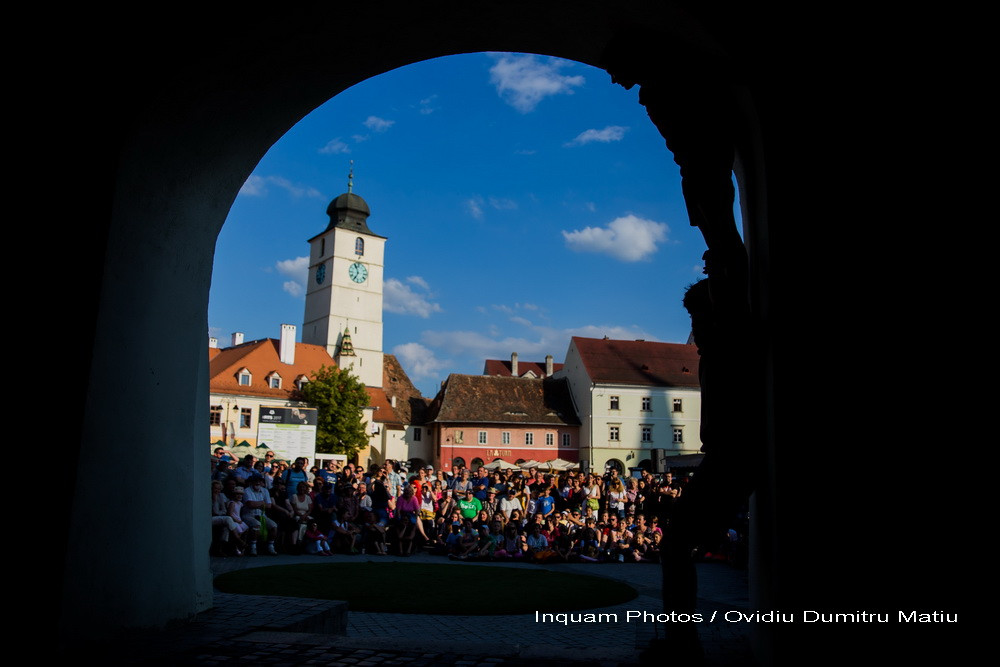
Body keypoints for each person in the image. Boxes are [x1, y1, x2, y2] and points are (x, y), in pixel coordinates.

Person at [241, 475, 278, 555]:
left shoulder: (265, 491)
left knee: (274, 526)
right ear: (252, 481)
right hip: (249, 515)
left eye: (260, 481)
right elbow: (250, 504)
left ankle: (270, 546)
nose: (258, 482)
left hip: (262, 515)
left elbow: (269, 505)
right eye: (256, 480)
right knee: (256, 524)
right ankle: (253, 547)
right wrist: (262, 503)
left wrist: (257, 504)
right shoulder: (247, 490)